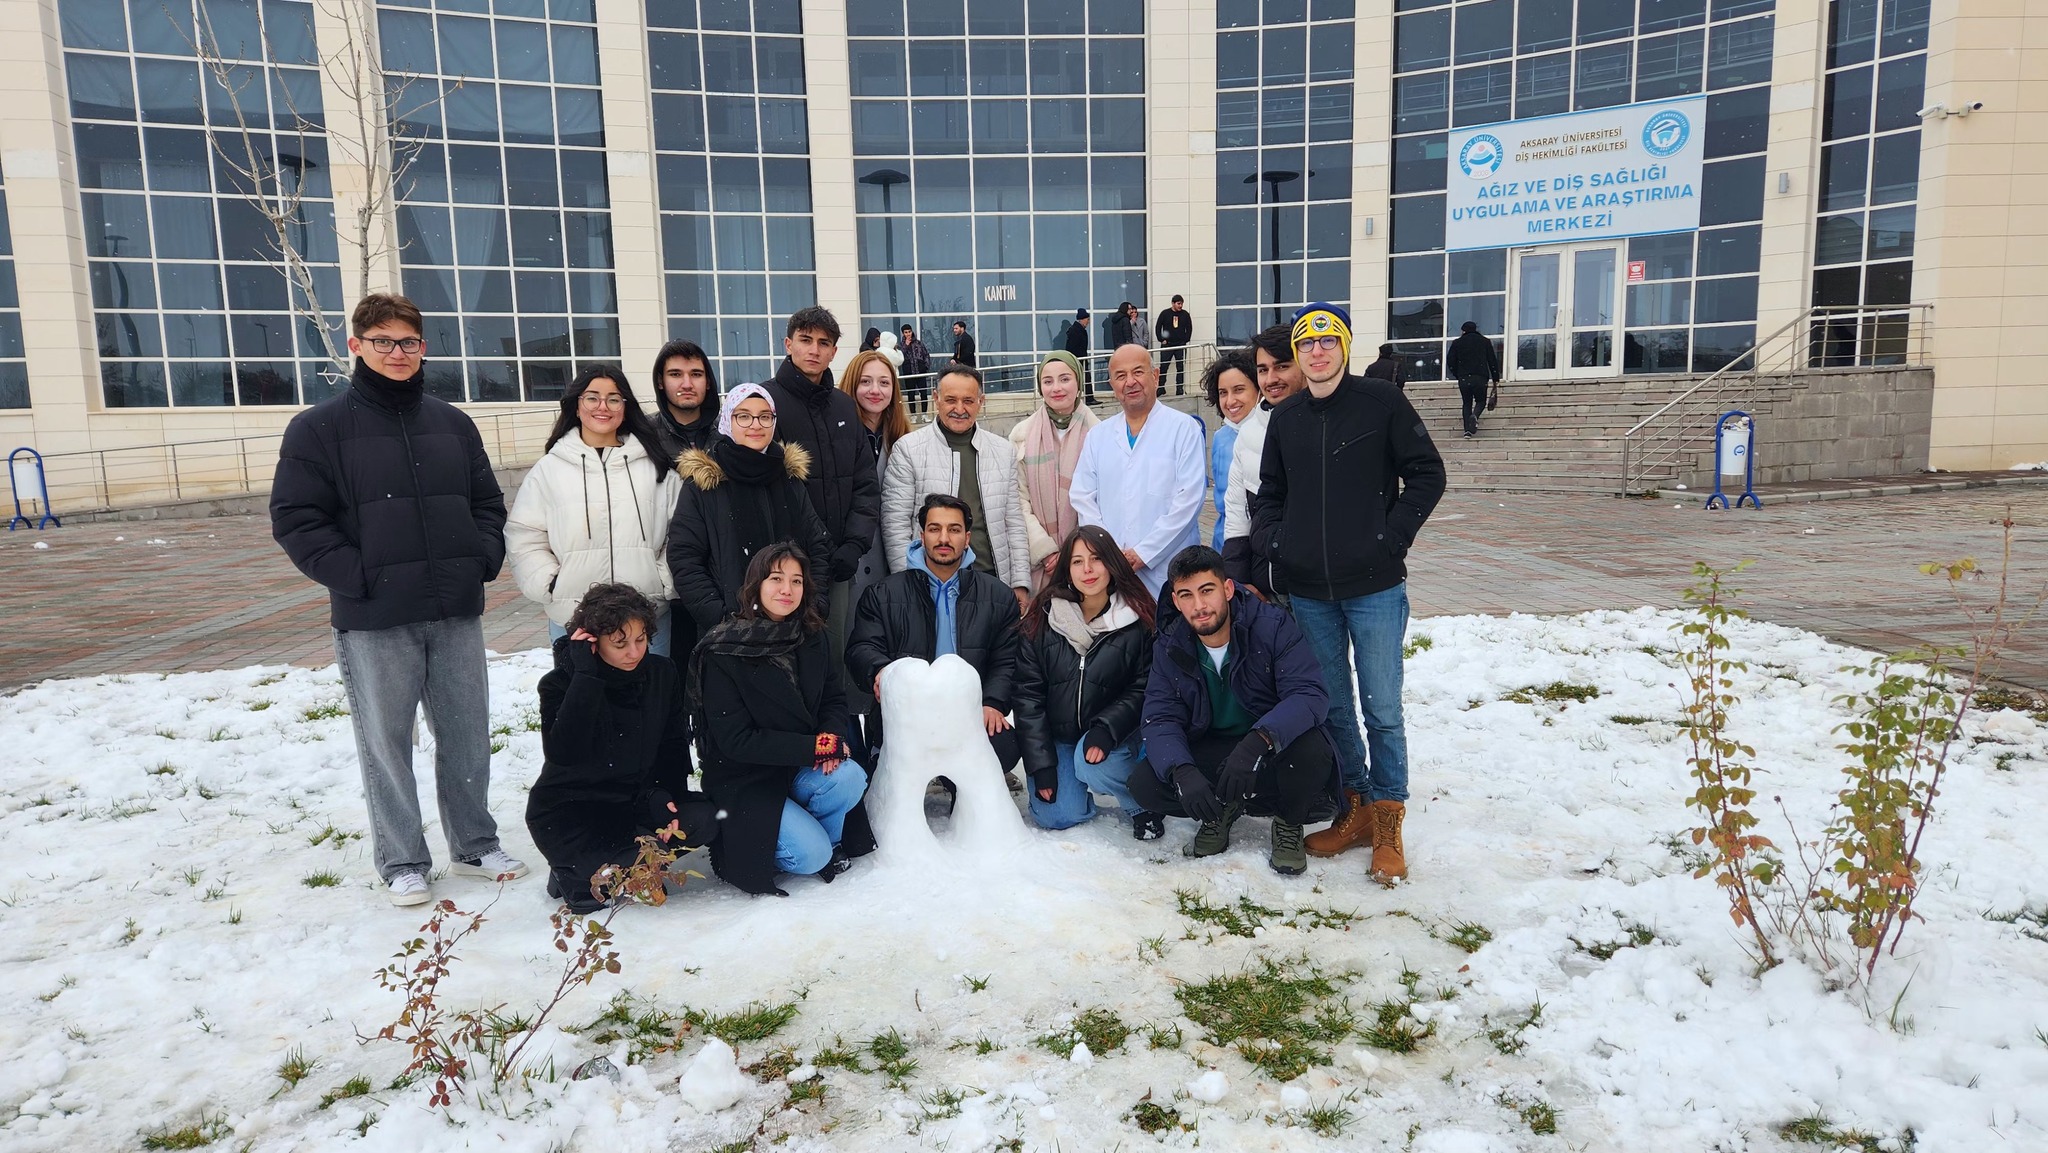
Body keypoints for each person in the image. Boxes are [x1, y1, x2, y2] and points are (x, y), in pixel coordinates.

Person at [270, 292, 526, 906]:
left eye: (407, 341)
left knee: (466, 732)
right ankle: (403, 857)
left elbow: (488, 506)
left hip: (454, 609)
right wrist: (358, 576)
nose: (397, 352)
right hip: (375, 615)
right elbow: (297, 520)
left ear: (424, 347)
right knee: (385, 740)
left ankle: (474, 843)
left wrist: (480, 559)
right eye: (382, 341)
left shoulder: (452, 424)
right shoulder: (318, 428)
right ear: (356, 346)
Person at [1250, 303, 1447, 882]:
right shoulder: (1286, 420)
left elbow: (1428, 473)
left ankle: (1388, 817)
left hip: (1375, 586)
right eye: (1306, 343)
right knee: (1334, 704)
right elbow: (1268, 495)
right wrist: (1277, 545)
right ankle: (1355, 805)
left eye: (1327, 340)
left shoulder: (1381, 403)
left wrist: (1392, 536)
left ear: (1345, 346)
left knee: (1382, 706)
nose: (1317, 351)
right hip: (1311, 591)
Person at [1131, 547, 1339, 875]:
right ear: (1175, 600)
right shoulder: (1170, 644)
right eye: (1186, 595)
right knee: (1145, 784)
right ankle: (1222, 809)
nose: (1198, 606)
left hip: (1269, 747)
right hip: (1215, 749)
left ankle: (1288, 820)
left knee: (1313, 751)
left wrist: (1259, 740)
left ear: (1227, 589)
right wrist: (1181, 770)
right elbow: (1159, 716)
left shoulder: (1270, 626)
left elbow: (1309, 694)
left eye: (1207, 590)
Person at [694, 543, 871, 896]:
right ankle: (761, 848)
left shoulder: (811, 635)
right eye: (776, 579)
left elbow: (833, 698)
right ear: (756, 584)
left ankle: (821, 838)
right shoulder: (723, 649)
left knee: (849, 776)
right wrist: (817, 747)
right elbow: (736, 740)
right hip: (747, 775)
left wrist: (831, 737)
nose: (787, 590)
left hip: (795, 767)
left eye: (797, 581)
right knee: (810, 855)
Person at [528, 583, 715, 913]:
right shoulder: (560, 686)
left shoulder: (661, 673)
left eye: (641, 639)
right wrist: (586, 678)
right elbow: (563, 753)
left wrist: (664, 796)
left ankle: (628, 859)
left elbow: (672, 745)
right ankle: (570, 872)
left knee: (704, 819)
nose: (634, 652)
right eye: (620, 643)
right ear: (593, 643)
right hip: (575, 813)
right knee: (617, 879)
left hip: (635, 801)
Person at [507, 367, 679, 658]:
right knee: (582, 700)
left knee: (650, 700)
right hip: (573, 619)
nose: (603, 406)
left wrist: (663, 580)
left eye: (614, 398)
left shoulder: (656, 468)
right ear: (577, 405)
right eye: (592, 398)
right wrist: (551, 583)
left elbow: (681, 531)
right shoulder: (549, 470)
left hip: (646, 619)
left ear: (626, 407)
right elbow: (525, 535)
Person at [847, 494, 1023, 777]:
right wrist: (879, 670)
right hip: (905, 716)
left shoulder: (998, 596)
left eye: (953, 530)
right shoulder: (883, 594)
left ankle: (960, 784)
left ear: (967, 538)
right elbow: (861, 647)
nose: (944, 538)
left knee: (1005, 745)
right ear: (921, 535)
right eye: (934, 529)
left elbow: (1007, 660)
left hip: (968, 713)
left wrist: (992, 702)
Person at [762, 307, 883, 696]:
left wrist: (854, 544)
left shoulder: (845, 406)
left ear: (834, 352)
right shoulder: (767, 403)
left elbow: (865, 483)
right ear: (788, 344)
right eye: (805, 340)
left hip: (837, 564)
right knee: (782, 657)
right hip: (784, 564)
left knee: (831, 654)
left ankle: (838, 738)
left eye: (824, 343)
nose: (814, 350)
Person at [1013, 525, 1159, 836]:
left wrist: (1107, 729)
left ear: (1112, 563)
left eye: (1096, 559)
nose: (1087, 570)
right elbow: (1028, 696)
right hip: (1061, 735)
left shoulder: (1136, 617)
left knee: (1092, 762)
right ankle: (1075, 785)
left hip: (1118, 734)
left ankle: (1141, 801)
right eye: (1077, 561)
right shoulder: (1043, 617)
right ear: (1067, 567)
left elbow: (1144, 686)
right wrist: (1042, 766)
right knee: (1057, 816)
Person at [666, 383, 831, 636]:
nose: (755, 425)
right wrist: (720, 619)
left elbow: (817, 546)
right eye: (743, 416)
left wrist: (813, 606)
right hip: (730, 634)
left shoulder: (789, 479)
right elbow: (685, 558)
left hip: (794, 629)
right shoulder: (705, 484)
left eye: (765, 417)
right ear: (727, 421)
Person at [881, 364, 1032, 606]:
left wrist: (1020, 582)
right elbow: (895, 526)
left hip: (990, 581)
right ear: (936, 398)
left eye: (968, 401)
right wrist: (907, 585)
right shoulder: (908, 449)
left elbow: (1013, 522)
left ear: (981, 401)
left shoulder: (1002, 451)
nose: (959, 409)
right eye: (950, 400)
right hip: (929, 584)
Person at [1068, 344, 1207, 599]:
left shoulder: (1183, 429)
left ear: (1155, 376)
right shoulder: (1098, 436)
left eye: (1138, 372)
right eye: (1121, 376)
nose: (1130, 382)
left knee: (1170, 631)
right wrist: (1106, 550)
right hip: (1113, 569)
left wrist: (1144, 552)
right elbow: (1082, 496)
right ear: (1112, 384)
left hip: (1169, 567)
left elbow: (1189, 500)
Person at [1222, 325, 1310, 598]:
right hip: (1268, 589)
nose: (1271, 378)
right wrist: (1238, 579)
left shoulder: (1329, 425)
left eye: (1282, 366)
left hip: (1319, 590)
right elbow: (1237, 512)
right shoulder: (1249, 433)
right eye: (1262, 370)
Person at [1008, 351, 1101, 592]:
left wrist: (1076, 553)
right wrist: (1046, 551)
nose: (1056, 388)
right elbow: (1017, 500)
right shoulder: (1022, 435)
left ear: (1078, 382)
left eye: (1065, 379)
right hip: (1040, 562)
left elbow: (1105, 501)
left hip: (1089, 559)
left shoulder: (1100, 434)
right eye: (1048, 381)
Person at [840, 349, 912, 608]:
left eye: (884, 383)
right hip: (851, 566)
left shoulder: (904, 441)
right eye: (865, 381)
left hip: (892, 561)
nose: (875, 390)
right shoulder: (837, 439)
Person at [1201, 349, 1258, 552]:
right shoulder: (1221, 437)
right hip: (1225, 544)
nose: (1230, 401)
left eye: (1239, 389)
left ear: (1258, 389)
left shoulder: (1273, 433)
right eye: (1223, 393)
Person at [649, 339, 721, 464]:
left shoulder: (728, 431)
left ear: (708, 382)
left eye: (696, 374)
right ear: (660, 382)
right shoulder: (644, 434)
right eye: (676, 374)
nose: (687, 385)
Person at [1446, 320, 1502, 438]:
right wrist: (1495, 377)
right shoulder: (1485, 342)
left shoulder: (1457, 343)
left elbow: (1450, 360)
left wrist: (1458, 374)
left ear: (1463, 331)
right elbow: (1492, 360)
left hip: (1464, 378)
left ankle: (1467, 430)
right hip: (1480, 377)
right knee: (1480, 401)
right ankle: (1475, 415)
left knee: (1467, 403)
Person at [1154, 293, 1193, 395]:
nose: (1180, 306)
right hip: (1168, 344)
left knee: (1180, 367)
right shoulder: (1165, 313)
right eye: (1178, 303)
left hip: (1180, 344)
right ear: (1173, 303)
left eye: (1181, 304)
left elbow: (1189, 328)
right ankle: (1161, 387)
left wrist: (1185, 340)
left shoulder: (1185, 314)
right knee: (1164, 366)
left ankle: (1179, 388)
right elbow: (1158, 327)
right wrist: (1161, 339)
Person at [899, 324, 932, 417]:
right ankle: (913, 415)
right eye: (906, 332)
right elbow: (900, 356)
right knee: (911, 394)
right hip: (909, 373)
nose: (908, 334)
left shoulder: (918, 343)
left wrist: (926, 367)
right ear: (903, 333)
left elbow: (926, 355)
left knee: (924, 393)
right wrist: (906, 345)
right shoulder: (901, 345)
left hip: (920, 372)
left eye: (909, 331)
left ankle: (924, 414)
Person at [1063, 308, 1094, 404]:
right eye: (1087, 319)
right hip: (1078, 360)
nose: (1088, 322)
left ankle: (1089, 398)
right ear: (1082, 319)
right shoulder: (1075, 331)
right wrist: (1076, 359)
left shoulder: (1079, 330)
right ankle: (1087, 399)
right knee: (1079, 378)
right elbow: (1072, 347)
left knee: (1085, 377)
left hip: (1081, 359)